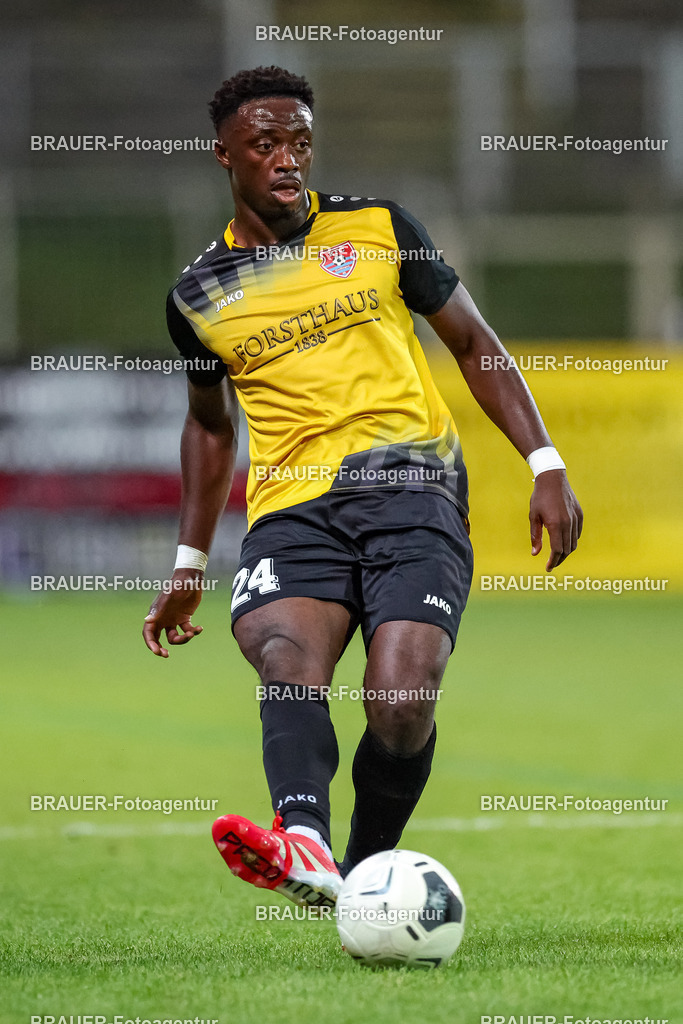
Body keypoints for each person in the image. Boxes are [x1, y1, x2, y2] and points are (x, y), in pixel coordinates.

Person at [142, 66, 582, 909]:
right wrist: (189, 564)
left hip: (411, 490)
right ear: (224, 155)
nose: (286, 158)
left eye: (299, 142)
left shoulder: (380, 228)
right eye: (264, 144)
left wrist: (545, 463)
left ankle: (362, 874)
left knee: (400, 700)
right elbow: (209, 426)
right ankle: (303, 839)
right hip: (292, 510)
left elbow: (474, 344)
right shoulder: (198, 296)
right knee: (284, 655)